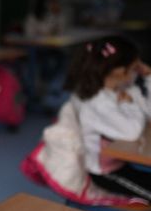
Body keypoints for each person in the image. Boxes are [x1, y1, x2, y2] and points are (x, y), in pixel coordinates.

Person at [64, 36, 151, 201]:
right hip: (104, 172)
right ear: (119, 72)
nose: (138, 69)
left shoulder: (119, 89)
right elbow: (132, 132)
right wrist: (130, 104)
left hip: (120, 162)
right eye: (134, 66)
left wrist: (148, 78)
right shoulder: (97, 102)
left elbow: (148, 113)